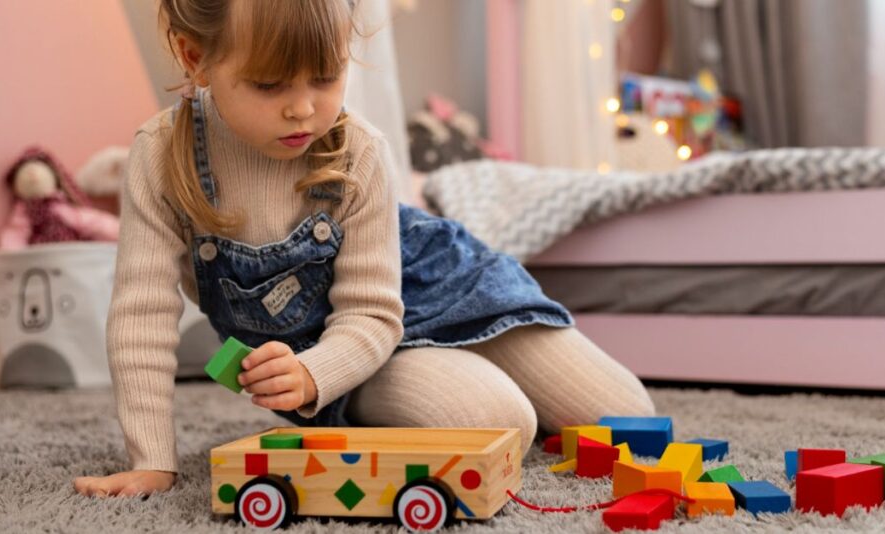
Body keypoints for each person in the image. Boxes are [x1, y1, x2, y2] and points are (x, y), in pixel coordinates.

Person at [74, 0, 654, 498]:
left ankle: (481, 360)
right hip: (343, 357)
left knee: (630, 419)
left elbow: (374, 308)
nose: (303, 108)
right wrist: (151, 459)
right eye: (270, 84)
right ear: (194, 58)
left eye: (325, 76)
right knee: (501, 422)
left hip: (431, 286)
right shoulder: (160, 158)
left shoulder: (361, 152)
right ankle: (457, 381)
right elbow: (141, 316)